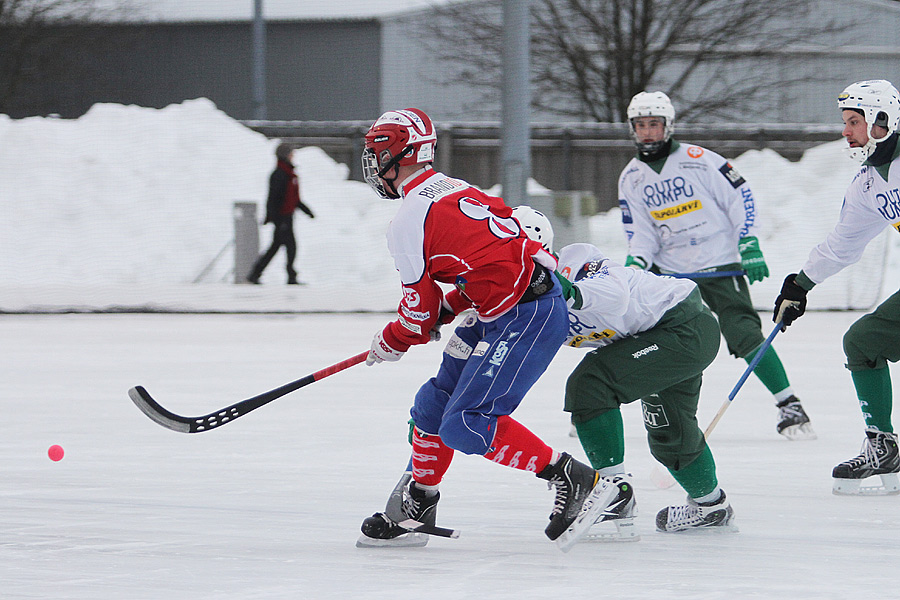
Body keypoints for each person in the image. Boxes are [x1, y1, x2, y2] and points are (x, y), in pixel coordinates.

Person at [354, 108, 630, 550]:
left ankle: (574, 478)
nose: (369, 160)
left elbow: (418, 312)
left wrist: (394, 338)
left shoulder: (407, 220)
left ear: (398, 153)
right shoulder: (451, 187)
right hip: (499, 310)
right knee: (433, 403)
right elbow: (487, 263)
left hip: (527, 315)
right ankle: (417, 504)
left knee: (464, 423)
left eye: (375, 150)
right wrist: (449, 306)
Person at [514, 206, 735, 534]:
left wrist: (566, 290)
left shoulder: (577, 261)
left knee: (590, 384)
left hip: (682, 324)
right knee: (668, 434)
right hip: (660, 337)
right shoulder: (521, 303)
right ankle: (711, 506)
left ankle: (614, 494)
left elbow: (616, 297)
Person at [618, 91, 815, 440]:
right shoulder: (631, 177)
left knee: (743, 333)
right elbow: (642, 232)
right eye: (641, 125)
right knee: (654, 339)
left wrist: (748, 241)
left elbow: (740, 198)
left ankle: (789, 404)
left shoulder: (700, 160)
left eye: (654, 124)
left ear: (668, 126)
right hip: (672, 274)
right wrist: (637, 262)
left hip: (719, 263)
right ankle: (625, 400)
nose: (648, 132)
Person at [775, 79, 900, 496]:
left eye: (853, 121)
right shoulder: (868, 183)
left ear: (882, 120)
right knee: (863, 341)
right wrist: (799, 285)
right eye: (845, 122)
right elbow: (843, 244)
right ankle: (883, 445)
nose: (845, 131)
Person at [246, 143, 315, 285]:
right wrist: (273, 217)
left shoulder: (289, 173)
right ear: (285, 155)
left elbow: (294, 199)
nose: (293, 155)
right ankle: (289, 276)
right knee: (290, 247)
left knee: (277, 247)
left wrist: (306, 210)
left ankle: (255, 274)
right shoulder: (280, 174)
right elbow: (273, 198)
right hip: (282, 217)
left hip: (287, 216)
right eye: (291, 153)